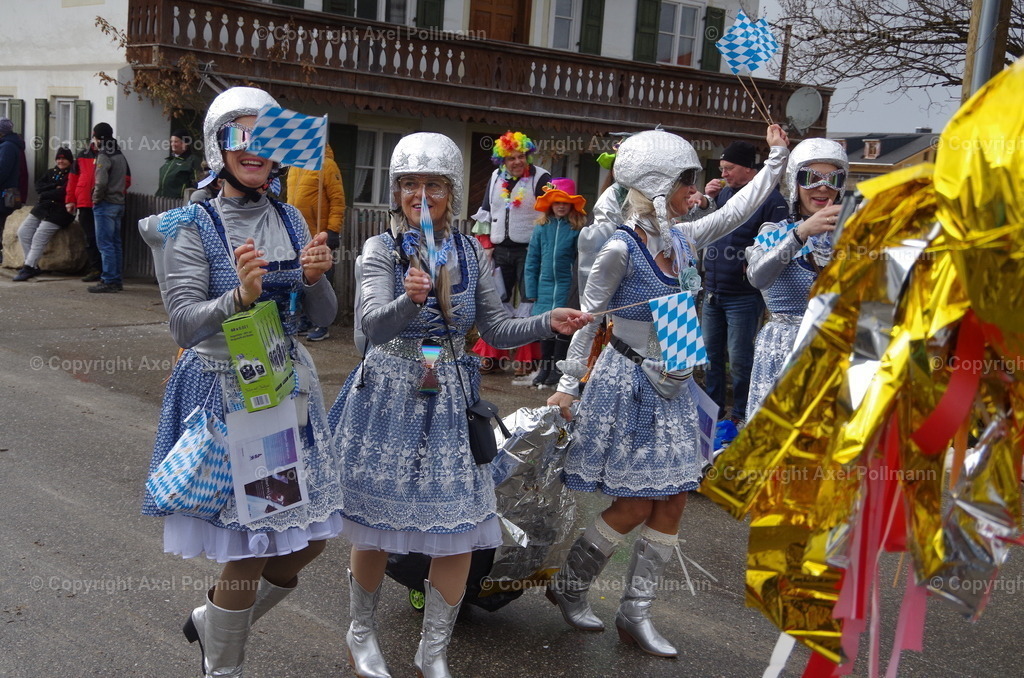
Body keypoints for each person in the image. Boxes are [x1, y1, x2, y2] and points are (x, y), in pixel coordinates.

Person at [329, 132, 590, 678]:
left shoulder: (472, 251)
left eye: (433, 185)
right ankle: (361, 633)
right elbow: (369, 330)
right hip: (390, 394)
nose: (420, 195)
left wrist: (547, 321)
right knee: (376, 525)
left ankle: (433, 652)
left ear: (451, 190)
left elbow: (494, 326)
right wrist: (410, 298)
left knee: (459, 530)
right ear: (396, 190)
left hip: (448, 399)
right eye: (408, 185)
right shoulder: (381, 249)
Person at [545, 125, 790, 658]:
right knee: (633, 505)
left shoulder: (681, 237)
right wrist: (567, 386)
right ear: (657, 187)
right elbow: (588, 319)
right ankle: (569, 585)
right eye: (686, 182)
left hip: (676, 385)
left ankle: (636, 614)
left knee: (674, 501)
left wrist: (775, 163)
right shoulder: (618, 248)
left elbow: (733, 214)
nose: (696, 191)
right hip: (630, 383)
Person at [140, 86, 342, 678]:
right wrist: (239, 296)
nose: (254, 150)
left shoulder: (289, 215)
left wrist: (314, 280)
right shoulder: (188, 223)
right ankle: (222, 667)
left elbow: (323, 319)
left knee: (307, 542)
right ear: (218, 144)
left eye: (266, 138)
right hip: (232, 393)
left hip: (288, 390)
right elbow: (181, 320)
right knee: (259, 545)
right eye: (241, 136)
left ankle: (215, 622)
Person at [745, 139, 848, 416]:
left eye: (833, 179)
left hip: (834, 349)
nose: (823, 187)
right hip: (783, 347)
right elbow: (757, 277)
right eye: (811, 178)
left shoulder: (854, 237)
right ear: (795, 183)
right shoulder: (774, 230)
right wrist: (800, 233)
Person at [696, 141, 789, 426]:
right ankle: (712, 411)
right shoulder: (723, 194)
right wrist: (706, 203)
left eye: (729, 168)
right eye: (721, 168)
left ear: (750, 169)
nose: (723, 173)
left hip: (744, 296)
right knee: (710, 358)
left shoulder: (773, 202)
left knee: (739, 360)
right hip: (713, 291)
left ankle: (739, 413)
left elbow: (777, 248)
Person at [471, 131, 552, 375]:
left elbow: (552, 215)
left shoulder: (541, 177)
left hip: (530, 251)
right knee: (496, 301)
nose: (516, 162)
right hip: (499, 250)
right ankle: (493, 354)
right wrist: (485, 245)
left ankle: (528, 358)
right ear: (502, 160)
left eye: (521, 157)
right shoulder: (495, 177)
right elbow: (485, 213)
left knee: (529, 302)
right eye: (511, 158)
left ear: (527, 156)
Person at [524, 178, 587, 388]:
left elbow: (581, 262)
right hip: (544, 286)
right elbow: (532, 260)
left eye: (565, 202)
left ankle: (557, 369)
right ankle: (545, 367)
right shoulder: (542, 228)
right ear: (550, 204)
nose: (560, 206)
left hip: (566, 286)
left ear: (571, 205)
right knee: (545, 328)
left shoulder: (576, 229)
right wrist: (531, 289)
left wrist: (577, 291)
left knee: (564, 328)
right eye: (557, 201)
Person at [286, 143, 346, 342]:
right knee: (299, 277)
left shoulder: (327, 166)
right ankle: (304, 319)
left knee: (321, 277)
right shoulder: (294, 167)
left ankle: (323, 325)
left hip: (319, 235)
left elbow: (338, 201)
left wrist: (332, 231)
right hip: (297, 235)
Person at [13, 147, 75, 281]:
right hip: (43, 207)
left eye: (64, 159)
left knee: (39, 236)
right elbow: (38, 187)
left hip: (61, 210)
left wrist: (48, 191)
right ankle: (33, 265)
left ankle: (29, 267)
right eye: (58, 158)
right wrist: (53, 187)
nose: (60, 161)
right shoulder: (51, 172)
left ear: (70, 160)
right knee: (23, 232)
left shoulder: (72, 174)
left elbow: (62, 193)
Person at [88, 122, 130, 293]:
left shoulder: (104, 155)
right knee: (115, 244)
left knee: (105, 245)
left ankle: (109, 280)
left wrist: (95, 199)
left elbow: (101, 181)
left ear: (99, 137)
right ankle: (116, 279)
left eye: (95, 136)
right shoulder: (119, 153)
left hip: (106, 204)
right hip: (119, 202)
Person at [65, 141, 103, 282]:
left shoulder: (111, 154)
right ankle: (95, 268)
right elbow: (73, 179)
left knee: (103, 238)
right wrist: (70, 200)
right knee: (89, 238)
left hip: (102, 202)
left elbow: (124, 179)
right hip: (84, 202)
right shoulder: (83, 155)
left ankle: (106, 270)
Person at [0, 117, 28, 266]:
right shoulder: (8, 145)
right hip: (6, 193)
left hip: (4, 194)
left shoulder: (7, 147)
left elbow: (2, 171)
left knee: (2, 225)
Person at [156, 128, 204, 200]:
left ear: (185, 143)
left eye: (176, 141)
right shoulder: (169, 161)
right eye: (171, 141)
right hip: (162, 201)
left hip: (179, 203)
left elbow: (199, 184)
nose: (173, 144)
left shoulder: (192, 161)